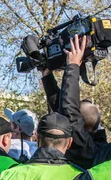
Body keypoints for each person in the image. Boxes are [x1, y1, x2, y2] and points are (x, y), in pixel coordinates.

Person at [40, 35, 107, 170]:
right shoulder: (101, 148)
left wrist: (74, 65)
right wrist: (47, 75)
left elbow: (69, 110)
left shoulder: (84, 148)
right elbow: (63, 107)